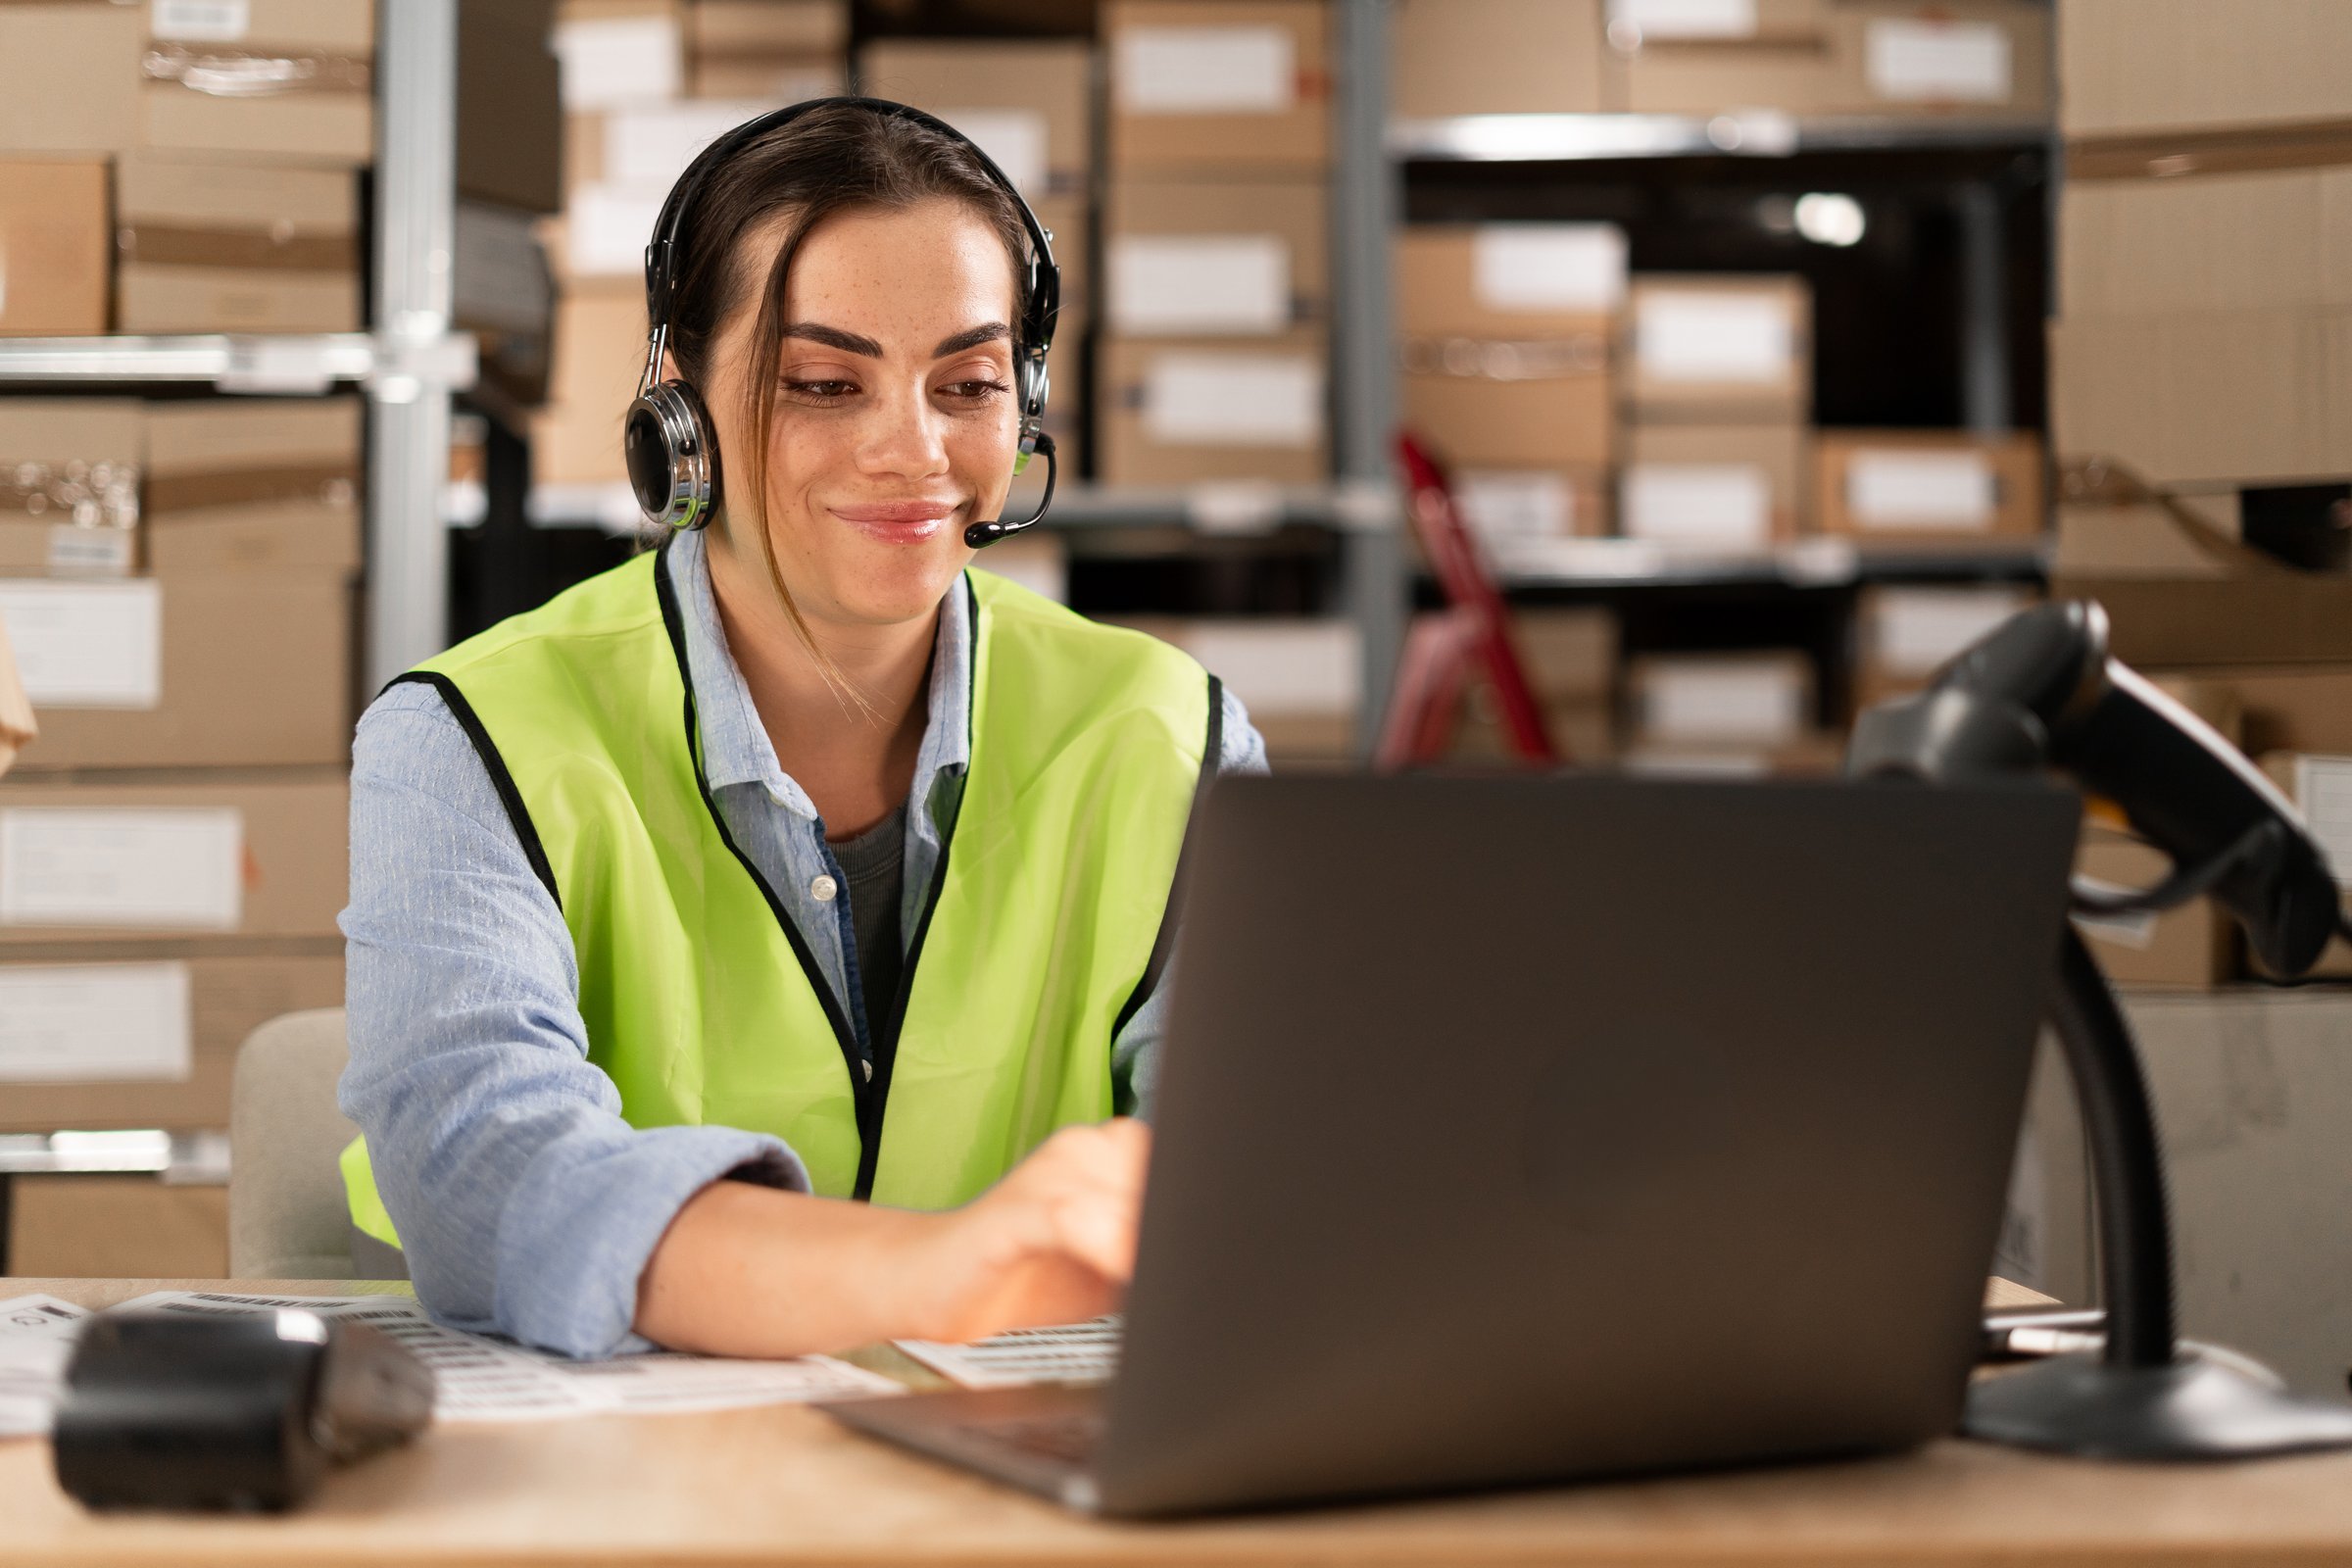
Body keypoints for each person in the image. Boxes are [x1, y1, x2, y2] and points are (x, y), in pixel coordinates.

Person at [336, 100, 1266, 1361]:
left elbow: (1265, 1171)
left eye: (971, 383)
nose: (914, 449)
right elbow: (481, 1175)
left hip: (1044, 1494)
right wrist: (942, 1269)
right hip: (645, 1508)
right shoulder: (468, 737)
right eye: (825, 385)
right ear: (682, 410)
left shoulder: (1169, 733)